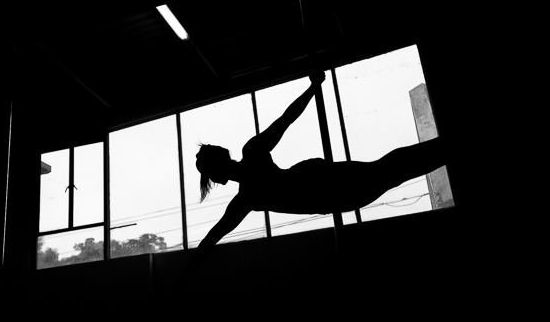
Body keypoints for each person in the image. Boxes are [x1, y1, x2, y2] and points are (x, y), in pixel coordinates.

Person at [174, 69, 448, 289]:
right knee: (389, 170)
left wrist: (313, 87)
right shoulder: (246, 194)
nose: (215, 173)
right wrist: (184, 275)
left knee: (389, 170)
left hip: (326, 181)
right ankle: (443, 149)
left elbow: (286, 119)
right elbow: (211, 238)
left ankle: (443, 148)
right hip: (331, 190)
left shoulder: (251, 171)